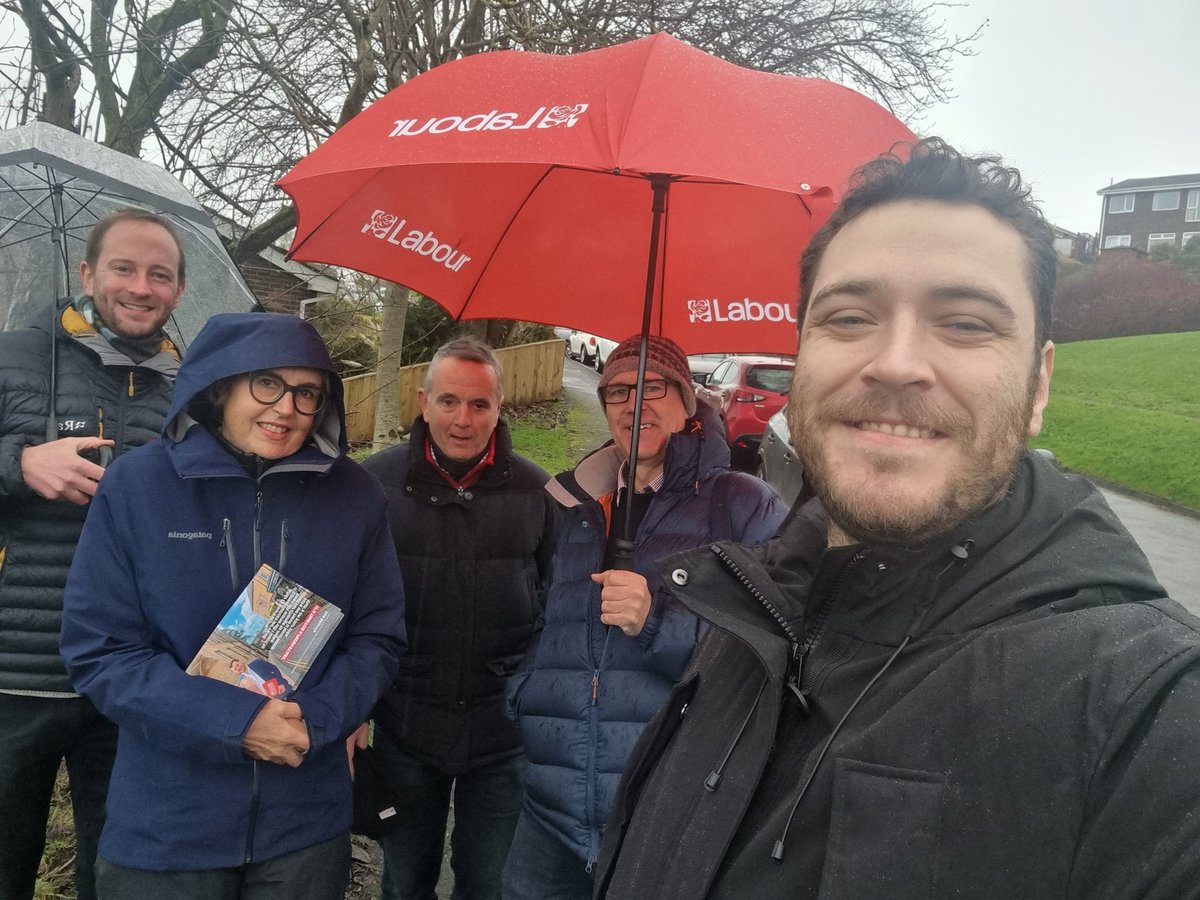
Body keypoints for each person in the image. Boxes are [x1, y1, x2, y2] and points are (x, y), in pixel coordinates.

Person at [594, 139, 1200, 899]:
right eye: (850, 317)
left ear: (1039, 384)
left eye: (967, 323)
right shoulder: (750, 606)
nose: (895, 362)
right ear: (801, 354)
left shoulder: (1150, 714)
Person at [59, 312, 406, 899]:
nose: (286, 408)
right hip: (167, 827)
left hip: (304, 826)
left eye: (307, 393)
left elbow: (378, 637)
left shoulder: (355, 495)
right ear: (220, 385)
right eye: (266, 384)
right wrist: (238, 725)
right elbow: (102, 652)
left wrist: (315, 721)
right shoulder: (137, 488)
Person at [502, 334, 786, 899]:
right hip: (550, 805)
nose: (634, 406)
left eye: (653, 388)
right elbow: (546, 617)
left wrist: (656, 621)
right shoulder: (580, 506)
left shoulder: (744, 506)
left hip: (660, 808)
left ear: (688, 402)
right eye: (618, 393)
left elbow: (776, 647)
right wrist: (525, 693)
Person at [0, 208, 186, 900]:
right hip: (16, 671)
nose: (140, 287)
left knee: (116, 873)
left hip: (127, 678)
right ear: (87, 273)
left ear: (177, 290)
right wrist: (21, 463)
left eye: (159, 274)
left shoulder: (189, 389)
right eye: (124, 268)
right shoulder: (15, 354)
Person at [361, 337, 557, 900]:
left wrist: (529, 683)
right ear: (423, 403)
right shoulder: (373, 485)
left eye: (479, 405)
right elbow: (345, 601)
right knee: (404, 882)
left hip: (503, 732)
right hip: (406, 724)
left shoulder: (540, 492)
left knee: (491, 882)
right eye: (448, 402)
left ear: (500, 408)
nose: (463, 420)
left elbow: (561, 603)